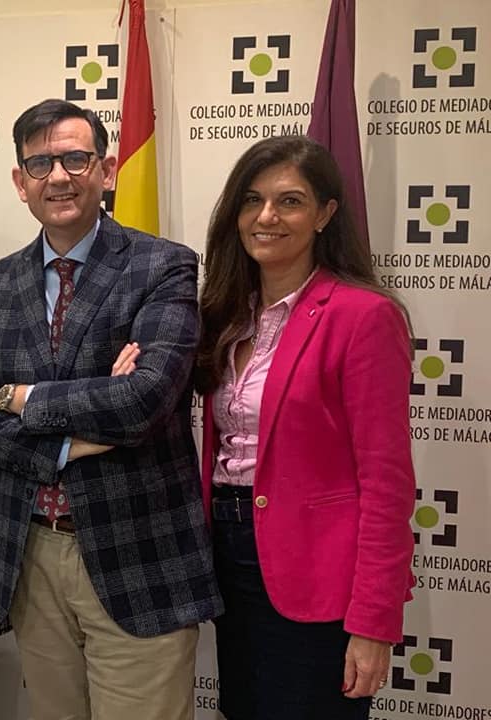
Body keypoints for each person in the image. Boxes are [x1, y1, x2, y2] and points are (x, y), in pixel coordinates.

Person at [0, 98, 221, 720]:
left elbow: (144, 400)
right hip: (30, 553)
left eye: (75, 158)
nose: (59, 177)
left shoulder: (163, 265)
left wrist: (18, 398)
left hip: (138, 555)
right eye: (40, 164)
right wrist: (65, 445)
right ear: (20, 182)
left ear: (106, 169)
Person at [195, 135, 416, 720]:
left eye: (289, 201)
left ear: (325, 214)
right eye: (252, 200)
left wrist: (374, 621)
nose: (266, 216)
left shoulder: (363, 316)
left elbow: (387, 483)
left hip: (318, 574)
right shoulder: (226, 315)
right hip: (230, 558)